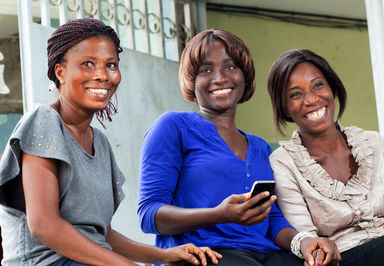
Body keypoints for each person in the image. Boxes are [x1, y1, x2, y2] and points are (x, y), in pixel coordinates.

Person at [0, 18, 221, 266]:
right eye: (88, 64)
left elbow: (102, 235)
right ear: (60, 72)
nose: (102, 75)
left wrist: (164, 255)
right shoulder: (44, 121)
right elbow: (45, 226)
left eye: (111, 65)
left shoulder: (100, 143)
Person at [138, 30, 340, 266]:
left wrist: (304, 242)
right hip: (203, 255)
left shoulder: (260, 147)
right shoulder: (173, 126)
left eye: (230, 67)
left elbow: (272, 218)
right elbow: (149, 215)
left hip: (264, 254)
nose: (221, 77)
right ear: (192, 81)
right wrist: (219, 214)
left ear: (245, 77)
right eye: (206, 70)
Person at [267, 49, 384, 266]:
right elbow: (307, 239)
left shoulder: (375, 143)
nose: (311, 99)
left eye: (318, 85)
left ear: (332, 88)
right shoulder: (283, 163)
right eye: (296, 94)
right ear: (284, 107)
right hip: (342, 257)